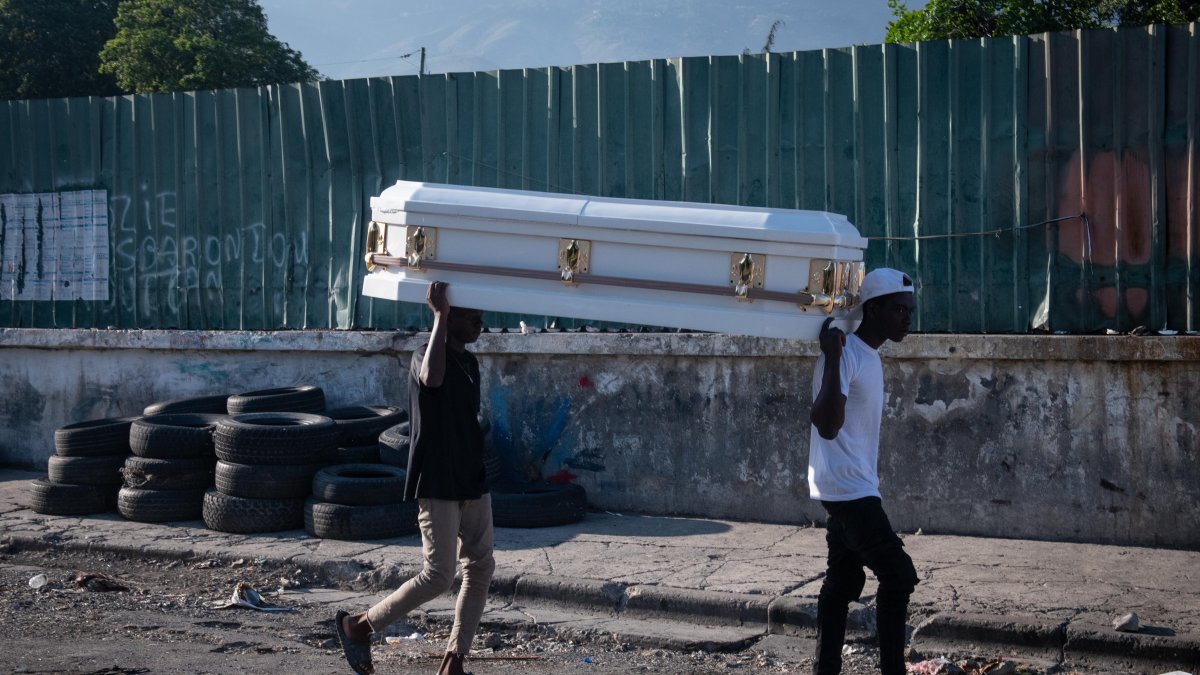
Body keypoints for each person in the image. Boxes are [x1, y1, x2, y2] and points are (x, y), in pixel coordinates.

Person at [335, 280, 493, 675]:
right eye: (472, 316)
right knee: (438, 575)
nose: (480, 323)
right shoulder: (424, 354)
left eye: (480, 315)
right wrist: (439, 315)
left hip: (471, 478)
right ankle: (359, 627)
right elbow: (432, 380)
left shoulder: (471, 363)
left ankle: (454, 660)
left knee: (480, 566)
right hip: (438, 479)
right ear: (450, 316)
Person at [808, 268, 920, 675]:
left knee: (843, 582)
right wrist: (834, 357)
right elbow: (826, 424)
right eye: (898, 310)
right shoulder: (844, 353)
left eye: (909, 310)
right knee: (898, 575)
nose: (907, 319)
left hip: (853, 484)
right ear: (872, 310)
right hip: (848, 487)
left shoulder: (868, 355)